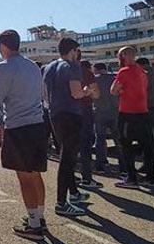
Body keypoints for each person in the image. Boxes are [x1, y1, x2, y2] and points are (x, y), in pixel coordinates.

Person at [0, 29, 50, 241]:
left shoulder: (4, 67)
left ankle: (33, 224)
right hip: (38, 124)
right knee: (35, 174)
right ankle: (39, 217)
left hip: (19, 127)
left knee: (24, 177)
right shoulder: (32, 66)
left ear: (3, 46)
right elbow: (41, 95)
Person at [43, 37, 93, 216]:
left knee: (65, 154)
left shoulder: (49, 67)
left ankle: (74, 193)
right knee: (68, 159)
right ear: (73, 50)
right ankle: (61, 202)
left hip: (55, 114)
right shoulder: (72, 66)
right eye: (77, 51)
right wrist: (88, 91)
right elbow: (76, 93)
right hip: (71, 115)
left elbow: (44, 93)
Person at [111, 46, 154, 189]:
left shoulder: (123, 72)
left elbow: (113, 91)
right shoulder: (142, 71)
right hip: (143, 112)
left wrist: (121, 89)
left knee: (126, 146)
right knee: (147, 145)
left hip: (127, 113)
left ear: (123, 56)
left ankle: (131, 178)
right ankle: (150, 177)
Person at [92, 63, 122, 174]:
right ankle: (123, 166)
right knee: (118, 140)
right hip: (115, 112)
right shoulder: (115, 78)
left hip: (99, 113)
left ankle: (100, 165)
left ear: (96, 70)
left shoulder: (94, 80)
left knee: (100, 140)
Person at [77, 60, 102, 189]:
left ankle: (70, 178)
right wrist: (88, 92)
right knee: (85, 145)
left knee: (69, 147)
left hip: (62, 112)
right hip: (84, 109)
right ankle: (86, 178)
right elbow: (96, 93)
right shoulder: (85, 73)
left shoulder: (57, 69)